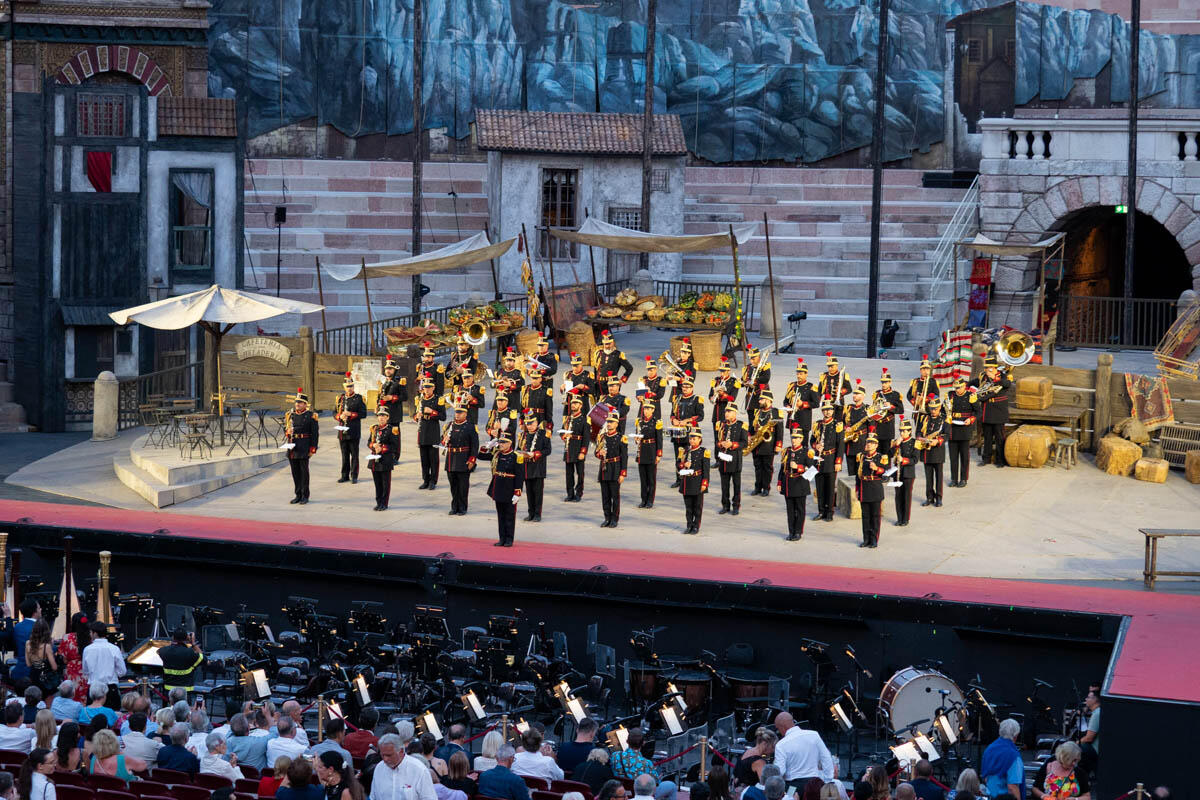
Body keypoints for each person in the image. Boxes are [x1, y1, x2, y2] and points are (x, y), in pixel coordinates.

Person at [477, 429, 523, 547]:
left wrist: (517, 492)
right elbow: (480, 456)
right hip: (498, 487)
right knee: (500, 515)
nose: (501, 444)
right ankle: (501, 538)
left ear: (510, 443)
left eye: (503, 442)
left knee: (509, 515)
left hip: (509, 487)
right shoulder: (496, 454)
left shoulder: (516, 456)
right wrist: (487, 446)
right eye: (500, 442)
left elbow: (520, 476)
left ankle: (509, 539)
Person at [772, 712, 834, 786]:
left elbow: (780, 771)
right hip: (814, 784)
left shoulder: (781, 745)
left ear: (782, 727)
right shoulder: (814, 735)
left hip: (793, 785)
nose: (779, 731)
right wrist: (828, 781)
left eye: (778, 729)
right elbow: (826, 758)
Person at [369, 733, 437, 800]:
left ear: (401, 751)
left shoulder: (419, 770)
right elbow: (373, 797)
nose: (385, 759)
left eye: (389, 755)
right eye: (382, 755)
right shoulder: (379, 768)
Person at [443, 398, 479, 516]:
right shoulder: (449, 426)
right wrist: (444, 441)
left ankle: (462, 507)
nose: (457, 415)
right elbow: (442, 441)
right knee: (453, 485)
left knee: (463, 486)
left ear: (465, 414)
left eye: (460, 413)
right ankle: (454, 507)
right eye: (456, 412)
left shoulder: (470, 427)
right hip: (451, 458)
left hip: (463, 458)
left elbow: (475, 445)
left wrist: (472, 459)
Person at [809, 397, 843, 521]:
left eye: (829, 409)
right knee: (820, 486)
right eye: (825, 410)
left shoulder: (837, 425)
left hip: (831, 458)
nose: (827, 412)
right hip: (819, 458)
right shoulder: (818, 424)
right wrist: (815, 445)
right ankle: (821, 510)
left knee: (829, 487)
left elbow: (840, 445)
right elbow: (812, 439)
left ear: (832, 411)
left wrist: (838, 461)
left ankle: (829, 512)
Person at [973, 359, 1011, 468]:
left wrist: (995, 378)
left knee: (999, 437)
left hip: (998, 410)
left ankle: (1000, 460)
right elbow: (975, 385)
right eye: (985, 368)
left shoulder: (1002, 376)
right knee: (987, 436)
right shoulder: (983, 377)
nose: (986, 370)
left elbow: (1007, 384)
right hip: (987, 409)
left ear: (994, 368)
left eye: (988, 368)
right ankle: (986, 459)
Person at [668, 372, 704, 487]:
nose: (685, 389)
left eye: (687, 387)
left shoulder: (696, 399)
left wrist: (688, 420)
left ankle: (688, 478)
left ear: (692, 387)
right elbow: (672, 413)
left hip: (690, 432)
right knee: (678, 456)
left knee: (688, 456)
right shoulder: (677, 398)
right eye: (683, 386)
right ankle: (678, 478)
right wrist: (673, 420)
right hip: (677, 431)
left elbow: (700, 416)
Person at [778, 423, 813, 541]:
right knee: (790, 510)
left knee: (800, 510)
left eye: (797, 438)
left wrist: (799, 467)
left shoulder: (806, 452)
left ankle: (798, 532)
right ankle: (791, 531)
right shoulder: (786, 451)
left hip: (800, 483)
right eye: (793, 438)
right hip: (788, 483)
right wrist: (779, 483)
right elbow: (782, 469)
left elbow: (813, 469)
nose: (794, 440)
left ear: (802, 439)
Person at [284, 389, 319, 504]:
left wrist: (313, 448)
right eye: (296, 402)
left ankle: (305, 495)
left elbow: (315, 434)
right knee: (295, 472)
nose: (297, 404)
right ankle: (298, 494)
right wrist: (287, 432)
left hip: (304, 446)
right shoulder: (291, 415)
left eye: (300, 402)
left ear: (305, 404)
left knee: (304, 473)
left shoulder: (310, 416)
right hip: (292, 447)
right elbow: (287, 429)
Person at [595, 412, 628, 528]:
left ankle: (614, 519)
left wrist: (623, 473)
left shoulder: (621, 438)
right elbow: (596, 452)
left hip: (615, 468)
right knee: (605, 496)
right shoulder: (602, 437)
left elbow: (624, 457)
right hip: (604, 468)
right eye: (608, 422)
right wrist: (600, 453)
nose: (609, 424)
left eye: (611, 422)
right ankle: (607, 518)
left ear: (617, 423)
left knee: (615, 496)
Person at [414, 373, 447, 490]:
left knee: (433, 459)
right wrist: (416, 416)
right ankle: (425, 480)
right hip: (422, 431)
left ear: (433, 388)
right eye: (425, 387)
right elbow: (415, 414)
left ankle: (433, 480)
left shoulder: (438, 400)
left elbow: (443, 416)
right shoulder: (420, 399)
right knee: (424, 459)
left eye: (429, 387)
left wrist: (432, 412)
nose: (426, 390)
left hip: (433, 431)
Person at [517, 412, 551, 522]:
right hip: (526, 467)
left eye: (531, 423)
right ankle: (530, 513)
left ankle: (537, 514)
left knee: (537, 492)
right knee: (529, 492)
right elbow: (518, 448)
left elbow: (547, 450)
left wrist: (535, 454)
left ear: (536, 423)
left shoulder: (543, 433)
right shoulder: (523, 435)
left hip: (538, 467)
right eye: (527, 424)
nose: (529, 426)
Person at [856, 429, 887, 548]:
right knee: (865, 516)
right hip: (864, 489)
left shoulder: (881, 457)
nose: (868, 444)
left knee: (875, 516)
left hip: (875, 489)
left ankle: (874, 539)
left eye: (871, 442)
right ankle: (866, 539)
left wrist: (877, 468)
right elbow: (858, 475)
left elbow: (886, 474)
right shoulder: (862, 457)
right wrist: (857, 489)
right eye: (867, 442)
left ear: (876, 445)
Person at [364, 407, 400, 511]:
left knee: (385, 483)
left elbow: (394, 446)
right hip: (374, 461)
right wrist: (373, 445)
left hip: (385, 460)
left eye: (383, 416)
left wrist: (382, 448)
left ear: (388, 417)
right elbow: (368, 442)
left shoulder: (392, 430)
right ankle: (378, 502)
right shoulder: (374, 428)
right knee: (377, 483)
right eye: (379, 416)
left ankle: (384, 503)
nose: (381, 418)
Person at [335, 373, 368, 484]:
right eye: (347, 386)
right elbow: (334, 412)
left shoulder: (358, 398)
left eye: (351, 386)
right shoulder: (340, 399)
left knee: (354, 454)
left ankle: (354, 475)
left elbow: (363, 414)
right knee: (344, 455)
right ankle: (344, 475)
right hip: (342, 430)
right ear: (344, 387)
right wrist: (339, 416)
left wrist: (351, 414)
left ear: (354, 386)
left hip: (353, 430)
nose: (349, 388)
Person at [945, 374, 977, 487]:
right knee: (953, 457)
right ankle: (954, 479)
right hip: (953, 428)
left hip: (965, 427)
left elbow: (977, 411)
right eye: (956, 388)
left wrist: (971, 419)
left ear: (964, 386)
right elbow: (946, 409)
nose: (957, 390)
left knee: (964, 457)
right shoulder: (951, 395)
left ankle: (963, 479)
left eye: (959, 387)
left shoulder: (970, 395)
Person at [980, 719, 1024, 800]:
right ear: (1016, 735)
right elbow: (1012, 787)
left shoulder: (989, 749)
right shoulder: (1013, 755)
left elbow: (985, 777)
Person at [678, 426, 710, 535]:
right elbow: (678, 465)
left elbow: (706, 470)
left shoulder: (703, 452)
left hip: (697, 481)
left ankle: (696, 526)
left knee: (697, 507)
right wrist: (683, 465)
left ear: (700, 439)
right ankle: (689, 525)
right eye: (691, 438)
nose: (692, 440)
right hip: (687, 482)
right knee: (688, 507)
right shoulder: (684, 450)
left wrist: (704, 483)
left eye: (695, 438)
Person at [715, 404, 746, 516]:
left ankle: (736, 505)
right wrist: (721, 444)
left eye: (729, 411)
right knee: (724, 485)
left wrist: (732, 444)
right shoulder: (721, 425)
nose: (727, 413)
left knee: (736, 485)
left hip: (735, 459)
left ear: (735, 413)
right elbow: (716, 441)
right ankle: (725, 505)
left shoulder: (741, 425)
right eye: (726, 411)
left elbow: (744, 443)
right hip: (723, 459)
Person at [917, 396, 946, 508]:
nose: (933, 411)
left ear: (939, 408)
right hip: (926, 451)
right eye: (931, 408)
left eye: (935, 409)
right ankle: (929, 497)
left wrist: (938, 441)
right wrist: (920, 438)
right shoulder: (924, 419)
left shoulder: (944, 419)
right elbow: (918, 431)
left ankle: (939, 498)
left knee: (939, 476)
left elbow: (946, 434)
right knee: (928, 477)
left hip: (937, 451)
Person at [634, 399, 664, 510]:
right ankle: (643, 499)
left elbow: (659, 439)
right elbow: (637, 435)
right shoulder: (640, 422)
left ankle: (650, 500)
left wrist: (658, 454)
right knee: (643, 478)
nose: (646, 411)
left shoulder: (656, 422)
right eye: (645, 408)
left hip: (651, 450)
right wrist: (636, 439)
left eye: (648, 409)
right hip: (642, 451)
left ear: (653, 410)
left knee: (651, 478)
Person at [157, 628, 205, 694]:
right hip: (185, 690)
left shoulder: (163, 651)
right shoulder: (189, 652)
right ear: (186, 638)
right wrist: (193, 643)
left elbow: (161, 651)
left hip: (168, 689)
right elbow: (203, 658)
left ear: (173, 637)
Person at [561, 392, 590, 502]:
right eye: (572, 403)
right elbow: (562, 430)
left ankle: (579, 493)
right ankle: (570, 493)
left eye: (576, 403)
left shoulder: (584, 420)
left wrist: (583, 451)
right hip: (568, 449)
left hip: (578, 448)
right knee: (569, 474)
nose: (573, 405)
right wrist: (563, 435)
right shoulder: (568, 419)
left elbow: (586, 437)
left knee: (580, 473)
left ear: (581, 405)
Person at [56, 614, 90, 704]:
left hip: (71, 670)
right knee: (85, 695)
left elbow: (63, 658)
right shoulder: (90, 637)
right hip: (86, 670)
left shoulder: (67, 637)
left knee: (71, 695)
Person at [872, 368, 903, 452]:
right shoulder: (877, 394)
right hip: (878, 426)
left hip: (888, 428)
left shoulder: (895, 394)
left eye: (886, 382)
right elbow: (873, 409)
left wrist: (891, 407)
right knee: (877, 454)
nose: (883, 384)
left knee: (886, 455)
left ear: (890, 382)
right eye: (882, 382)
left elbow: (901, 410)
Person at [784, 359, 818, 435]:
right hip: (792, 419)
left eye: (801, 374)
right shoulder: (792, 385)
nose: (798, 376)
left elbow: (816, 403)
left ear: (806, 374)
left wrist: (803, 404)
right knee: (794, 442)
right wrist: (787, 406)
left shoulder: (811, 387)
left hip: (804, 420)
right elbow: (785, 400)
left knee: (803, 445)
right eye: (798, 374)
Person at [10, 601, 40, 686]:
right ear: (34, 612)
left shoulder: (17, 627)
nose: (40, 610)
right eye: (39, 608)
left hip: (20, 670)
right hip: (35, 672)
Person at [709, 358, 741, 432]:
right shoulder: (716, 380)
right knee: (716, 437)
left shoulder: (734, 382)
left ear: (729, 371)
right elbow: (710, 395)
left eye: (724, 372)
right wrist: (713, 396)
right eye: (721, 371)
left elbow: (732, 398)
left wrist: (723, 394)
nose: (722, 374)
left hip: (727, 411)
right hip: (716, 412)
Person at [519, 367, 555, 433]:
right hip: (528, 418)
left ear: (540, 379)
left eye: (536, 378)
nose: (534, 380)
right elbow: (523, 406)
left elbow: (549, 409)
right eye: (533, 378)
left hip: (540, 418)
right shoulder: (525, 389)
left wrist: (549, 423)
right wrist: (521, 420)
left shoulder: (546, 390)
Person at [24, 623, 56, 696]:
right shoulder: (47, 646)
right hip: (44, 677)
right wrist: (52, 647)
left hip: (33, 675)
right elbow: (54, 667)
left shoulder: (27, 643)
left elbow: (28, 664)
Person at [378, 355, 409, 431]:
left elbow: (405, 397)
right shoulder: (384, 382)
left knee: (394, 438)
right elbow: (380, 395)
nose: (388, 371)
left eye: (390, 369)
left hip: (394, 414)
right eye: (386, 369)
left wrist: (392, 398)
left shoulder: (399, 381)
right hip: (384, 413)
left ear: (394, 370)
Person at [906, 356, 937, 430]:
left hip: (929, 410)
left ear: (930, 370)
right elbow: (908, 395)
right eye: (923, 369)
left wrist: (925, 399)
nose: (925, 371)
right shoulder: (915, 381)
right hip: (917, 410)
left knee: (928, 430)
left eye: (927, 369)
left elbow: (936, 395)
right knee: (918, 430)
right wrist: (915, 401)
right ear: (920, 370)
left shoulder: (933, 382)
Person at [740, 347, 771, 413]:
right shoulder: (748, 367)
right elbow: (743, 379)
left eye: (753, 359)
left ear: (758, 357)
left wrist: (755, 381)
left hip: (761, 395)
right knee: (751, 416)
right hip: (750, 395)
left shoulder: (764, 366)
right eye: (750, 359)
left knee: (760, 416)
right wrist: (743, 383)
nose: (751, 361)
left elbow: (766, 378)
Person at [641, 357, 670, 423]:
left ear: (656, 369)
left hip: (655, 406)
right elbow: (639, 394)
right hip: (644, 406)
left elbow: (660, 395)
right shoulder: (643, 380)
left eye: (651, 370)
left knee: (655, 425)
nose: (650, 372)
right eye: (648, 370)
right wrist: (639, 396)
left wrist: (650, 393)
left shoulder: (660, 380)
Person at [1080, 689, 1100, 771]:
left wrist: (1077, 743)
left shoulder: (1097, 714)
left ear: (1095, 700)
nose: (1086, 699)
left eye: (1088, 697)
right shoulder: (1097, 712)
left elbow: (1089, 738)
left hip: (1094, 751)